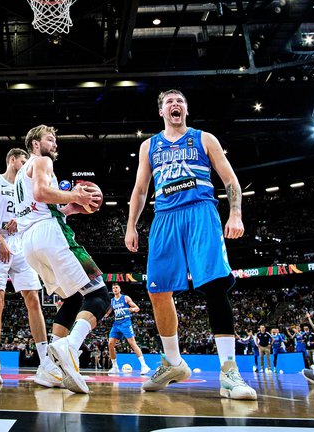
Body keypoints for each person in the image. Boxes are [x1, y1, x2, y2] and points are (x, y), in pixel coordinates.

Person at [125, 89, 256, 400]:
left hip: (201, 212)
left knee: (214, 285)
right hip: (165, 217)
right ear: (161, 111)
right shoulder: (149, 145)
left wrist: (235, 213)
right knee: (157, 290)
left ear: (185, 109)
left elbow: (230, 180)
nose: (175, 104)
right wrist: (131, 225)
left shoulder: (204, 138)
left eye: (180, 101)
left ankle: (229, 372)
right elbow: (141, 190)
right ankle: (173, 362)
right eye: (169, 101)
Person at [14, 124, 107, 394]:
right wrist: (76, 194)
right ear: (35, 144)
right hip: (50, 236)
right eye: (49, 140)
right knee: (100, 293)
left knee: (73, 298)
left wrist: (70, 207)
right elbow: (42, 194)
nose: (54, 145)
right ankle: (70, 346)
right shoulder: (41, 161)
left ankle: (50, 367)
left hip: (30, 242)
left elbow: (43, 206)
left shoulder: (22, 172)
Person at [0, 147, 62, 387]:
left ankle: (45, 361)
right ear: (13, 160)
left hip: (21, 242)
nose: (27, 163)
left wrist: (21, 221)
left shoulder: (25, 185)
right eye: (23, 160)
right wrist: (1, 240)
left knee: (33, 299)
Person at [104, 283, 151, 375]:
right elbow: (107, 313)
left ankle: (144, 366)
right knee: (110, 344)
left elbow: (136, 308)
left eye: (116, 287)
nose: (115, 289)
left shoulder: (125, 298)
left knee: (132, 343)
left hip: (125, 323)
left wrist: (131, 309)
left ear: (120, 289)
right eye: (113, 288)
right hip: (116, 324)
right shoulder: (112, 301)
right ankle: (115, 367)